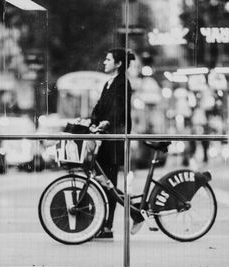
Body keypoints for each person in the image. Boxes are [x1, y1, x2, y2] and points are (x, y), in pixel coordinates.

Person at [90, 48, 141, 238]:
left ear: (118, 64)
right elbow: (99, 107)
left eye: (108, 59)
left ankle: (108, 226)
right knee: (105, 182)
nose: (104, 62)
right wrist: (92, 121)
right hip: (106, 137)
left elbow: (119, 110)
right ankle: (130, 212)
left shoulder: (123, 84)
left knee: (109, 181)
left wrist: (107, 122)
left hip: (115, 138)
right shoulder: (109, 83)